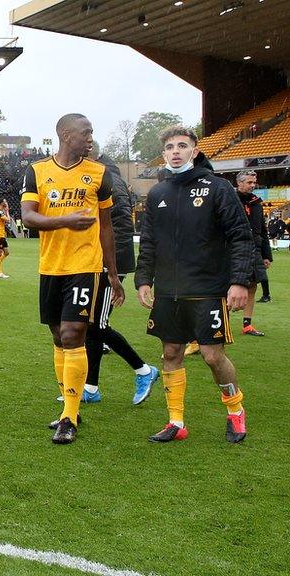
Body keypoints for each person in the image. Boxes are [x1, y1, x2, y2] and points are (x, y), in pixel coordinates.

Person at [135, 126, 253, 444]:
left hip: (207, 288)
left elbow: (241, 236)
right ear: (164, 154)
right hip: (169, 291)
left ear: (194, 151)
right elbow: (148, 241)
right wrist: (143, 279)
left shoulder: (217, 188)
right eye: (170, 147)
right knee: (171, 352)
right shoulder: (158, 194)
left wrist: (239, 281)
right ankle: (176, 422)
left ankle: (235, 411)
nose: (175, 151)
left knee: (213, 356)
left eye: (182, 145)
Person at [20, 113, 123, 445]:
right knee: (57, 336)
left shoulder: (100, 174)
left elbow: (106, 225)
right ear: (66, 135)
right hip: (51, 266)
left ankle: (69, 416)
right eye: (85, 132)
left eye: (92, 132)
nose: (90, 137)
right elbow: (28, 218)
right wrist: (65, 220)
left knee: (72, 332)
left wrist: (112, 271)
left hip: (85, 265)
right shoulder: (36, 171)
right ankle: (70, 404)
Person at [74, 147, 159, 406]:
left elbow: (118, 223)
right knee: (92, 325)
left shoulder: (105, 176)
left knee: (96, 325)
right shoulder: (102, 174)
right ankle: (90, 387)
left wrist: (112, 267)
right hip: (100, 258)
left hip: (109, 260)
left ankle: (144, 370)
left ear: (90, 156)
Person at [233, 170, 271, 332]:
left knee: (253, 286)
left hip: (254, 248)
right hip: (233, 248)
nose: (252, 186)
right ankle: (221, 323)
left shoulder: (256, 202)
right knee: (228, 287)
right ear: (239, 183)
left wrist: (266, 255)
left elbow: (262, 230)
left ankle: (247, 324)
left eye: (254, 183)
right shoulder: (229, 199)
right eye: (249, 182)